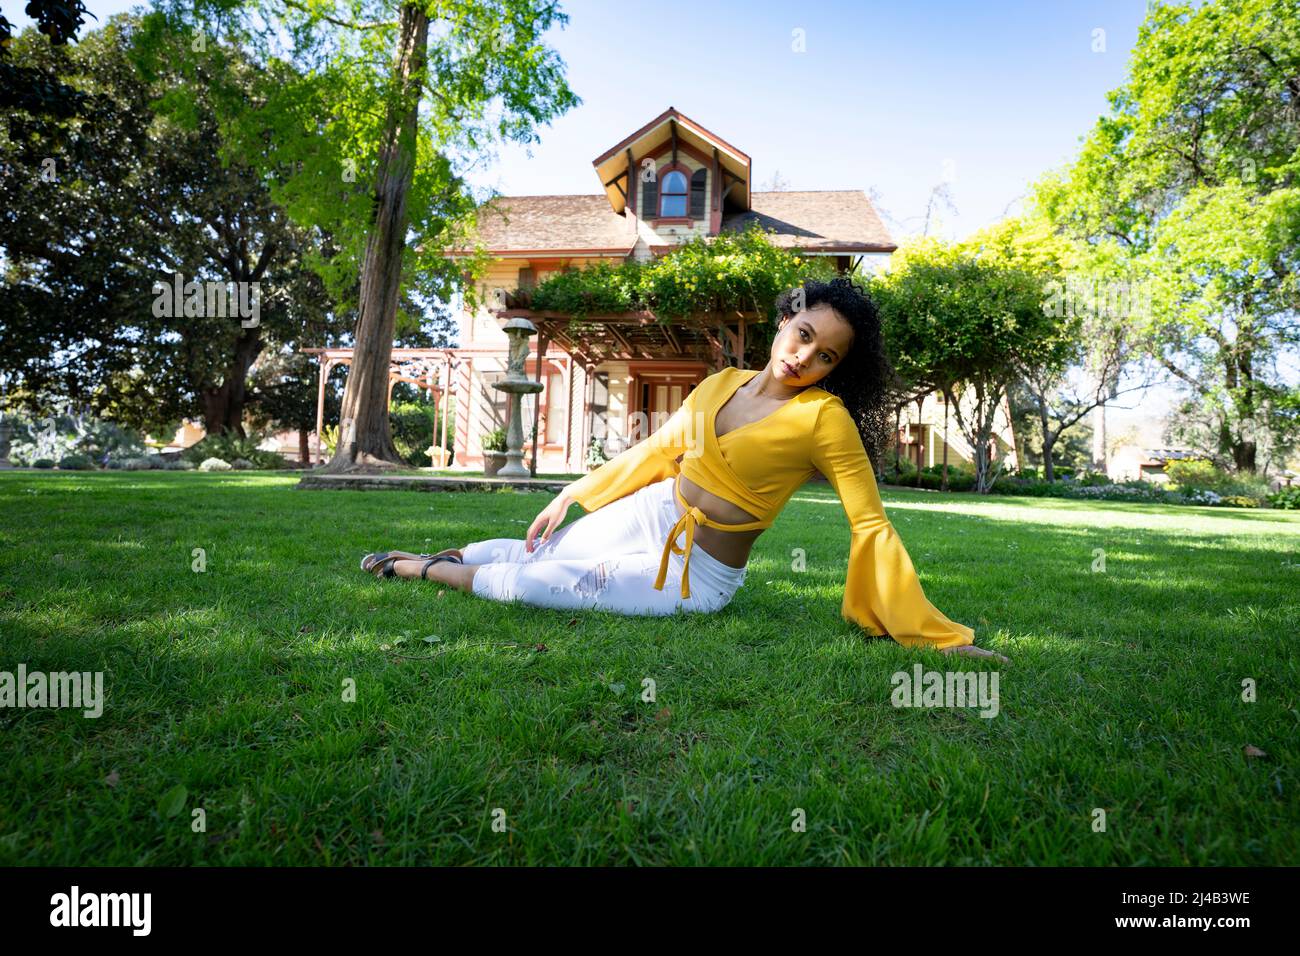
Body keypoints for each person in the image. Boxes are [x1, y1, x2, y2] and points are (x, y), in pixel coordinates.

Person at [362, 277, 1006, 662]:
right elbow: (656, 453)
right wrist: (573, 495)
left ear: (835, 369)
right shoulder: (722, 382)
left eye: (826, 355)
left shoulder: (823, 420)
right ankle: (465, 553)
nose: (805, 356)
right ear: (786, 322)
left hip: (699, 573)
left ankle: (422, 568)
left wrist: (930, 634)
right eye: (803, 333)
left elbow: (871, 524)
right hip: (652, 510)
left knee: (544, 584)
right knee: (543, 549)